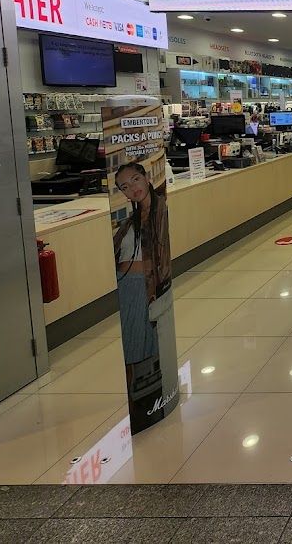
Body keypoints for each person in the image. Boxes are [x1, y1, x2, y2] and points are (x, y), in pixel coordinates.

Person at [113, 161, 172, 424]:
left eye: (135, 180)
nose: (132, 188)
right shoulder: (132, 219)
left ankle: (141, 407)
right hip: (125, 286)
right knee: (131, 349)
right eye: (124, 186)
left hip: (140, 288)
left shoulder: (161, 212)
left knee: (136, 348)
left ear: (146, 178)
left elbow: (161, 260)